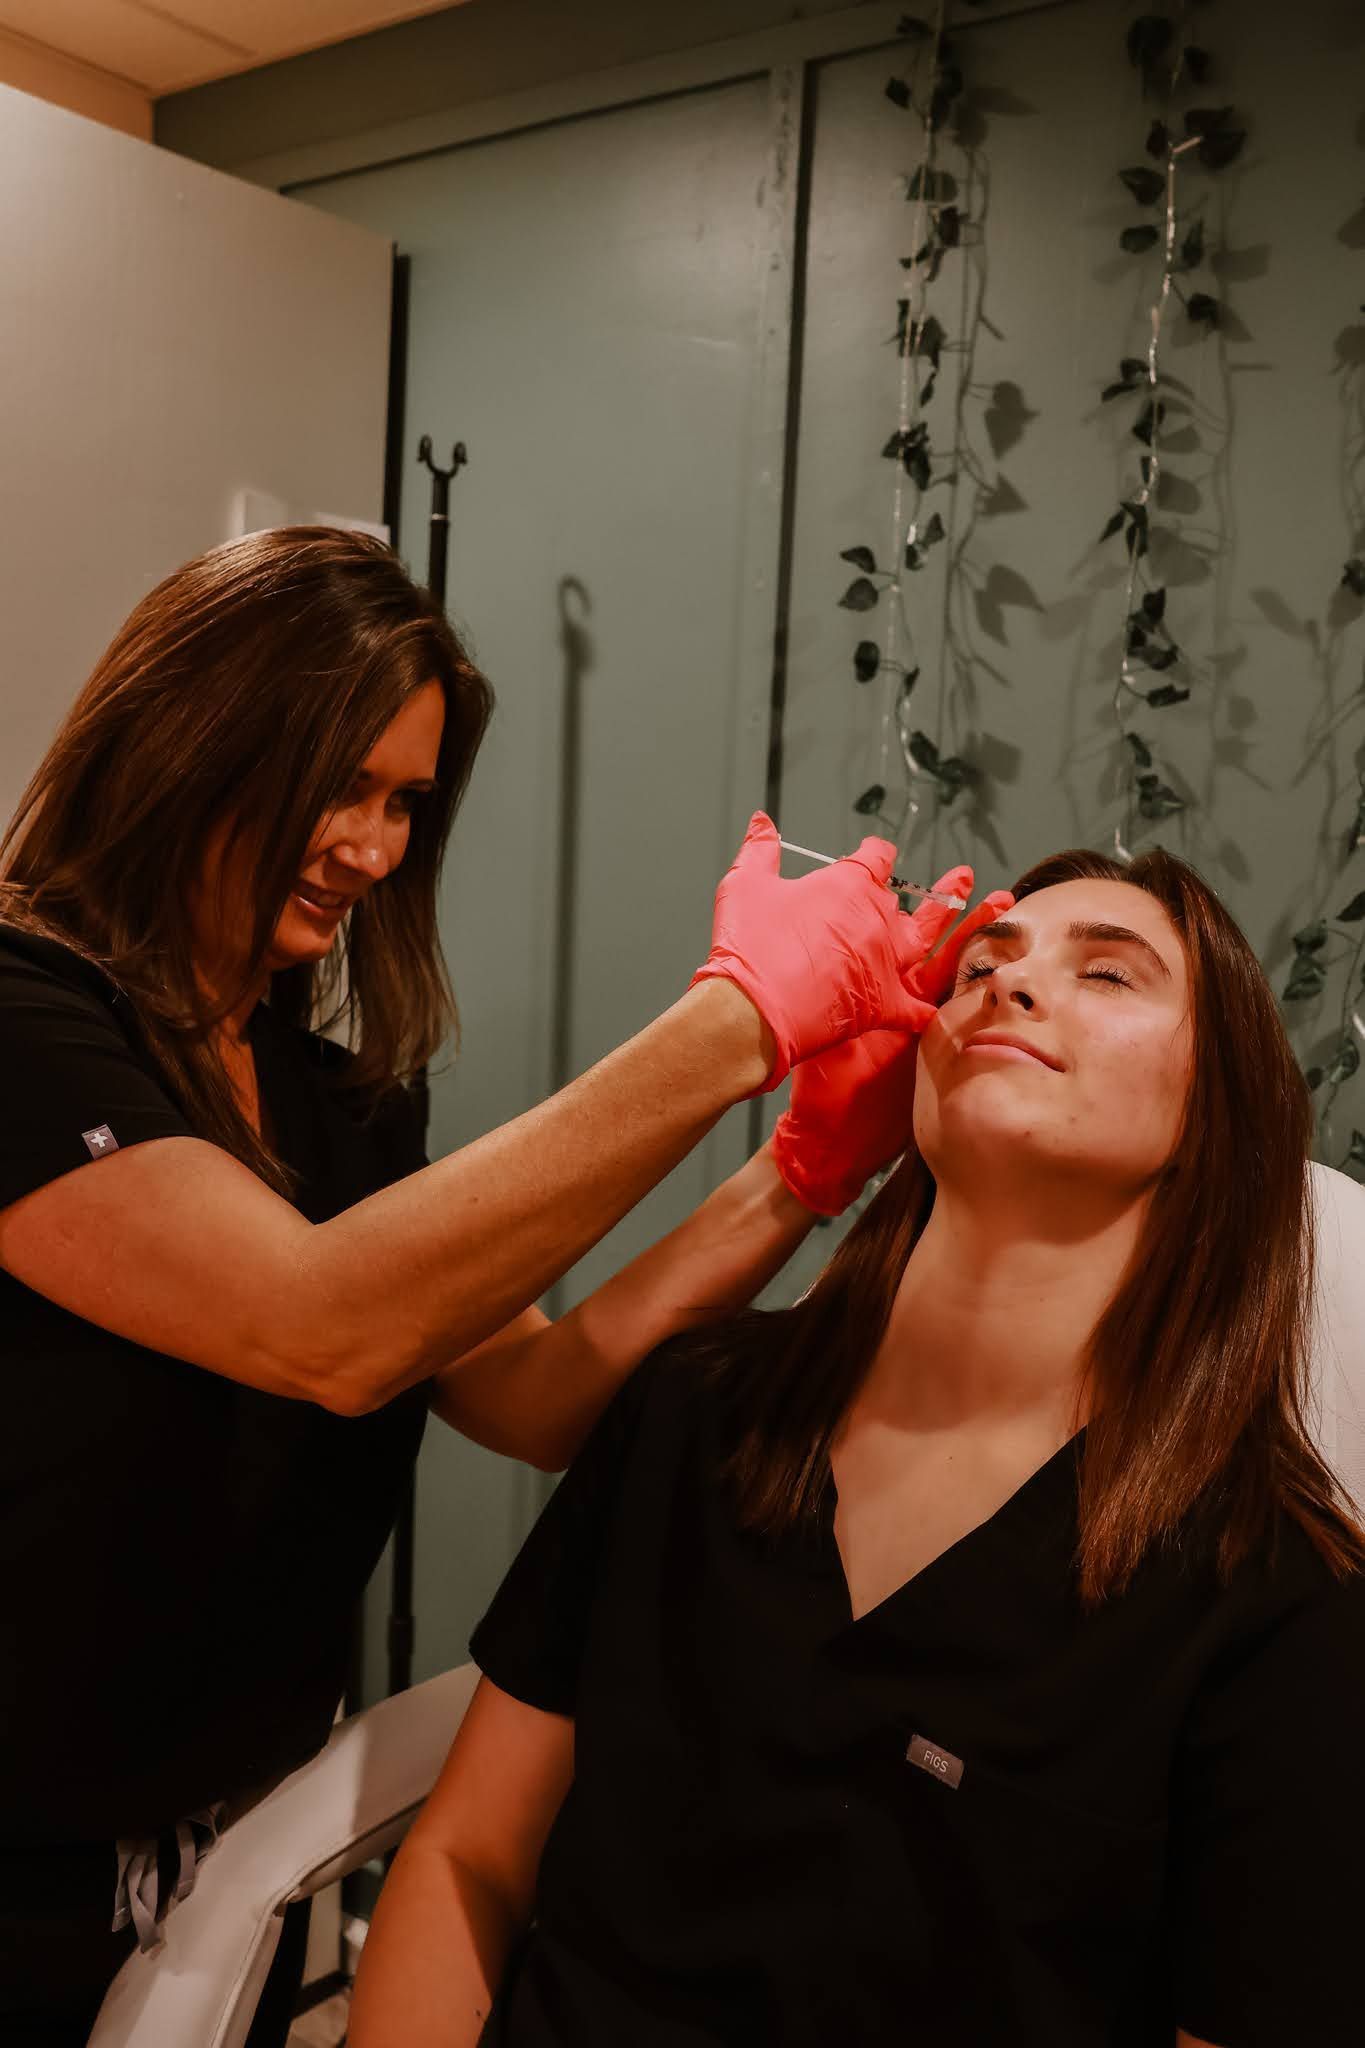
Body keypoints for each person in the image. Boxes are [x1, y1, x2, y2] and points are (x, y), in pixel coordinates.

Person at [0, 525, 1003, 2048]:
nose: (378, 848)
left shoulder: (334, 1101)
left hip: (211, 1863)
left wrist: (797, 1172)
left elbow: (535, 1395)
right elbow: (318, 1325)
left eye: (406, 802)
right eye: (341, 786)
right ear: (192, 743)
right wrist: (741, 1018)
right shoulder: (25, 1017)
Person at [348, 846, 1365, 2048]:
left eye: (1109, 975)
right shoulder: (696, 1408)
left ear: (1215, 1117)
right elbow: (470, 1855)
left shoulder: (1277, 1595)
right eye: (982, 960)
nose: (1012, 983)